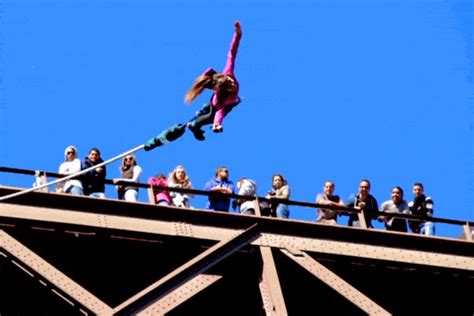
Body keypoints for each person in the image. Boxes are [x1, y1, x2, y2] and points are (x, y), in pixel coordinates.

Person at [185, 21, 243, 140]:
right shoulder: (223, 99)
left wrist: (237, 34)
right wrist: (217, 124)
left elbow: (232, 53)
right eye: (230, 85)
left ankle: (202, 112)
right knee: (209, 117)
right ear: (225, 90)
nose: (232, 83)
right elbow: (220, 112)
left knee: (213, 109)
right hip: (216, 106)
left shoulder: (228, 72)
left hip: (218, 100)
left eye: (230, 80)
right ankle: (195, 125)